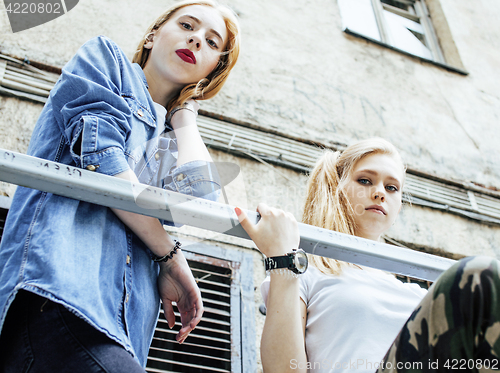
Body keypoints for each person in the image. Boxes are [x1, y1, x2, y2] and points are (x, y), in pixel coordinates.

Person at [0, 1, 240, 372]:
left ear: (210, 73)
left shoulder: (171, 141)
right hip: (58, 299)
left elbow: (198, 198)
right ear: (152, 35)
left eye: (211, 43)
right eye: (187, 25)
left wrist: (185, 115)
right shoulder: (105, 60)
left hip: (121, 331)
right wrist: (171, 255)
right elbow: (103, 165)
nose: (195, 40)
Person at [235, 138, 500, 372]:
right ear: (336, 189)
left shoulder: (418, 296)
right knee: (481, 275)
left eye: (392, 187)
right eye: (365, 180)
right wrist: (282, 258)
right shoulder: (304, 273)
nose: (380, 193)